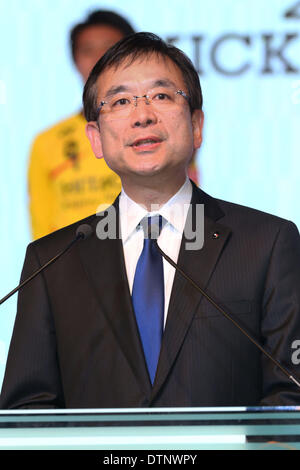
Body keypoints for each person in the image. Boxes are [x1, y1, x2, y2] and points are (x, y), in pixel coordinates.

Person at [1, 32, 300, 409]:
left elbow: (292, 392)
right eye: (121, 101)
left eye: (161, 96)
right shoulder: (52, 262)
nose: (142, 115)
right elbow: (27, 410)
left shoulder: (267, 243)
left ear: (196, 125)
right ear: (95, 138)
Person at [28, 10, 135, 240]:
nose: (99, 57)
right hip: (71, 268)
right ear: (75, 60)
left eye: (109, 47)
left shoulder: (154, 127)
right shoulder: (47, 141)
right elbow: (41, 228)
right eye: (87, 50)